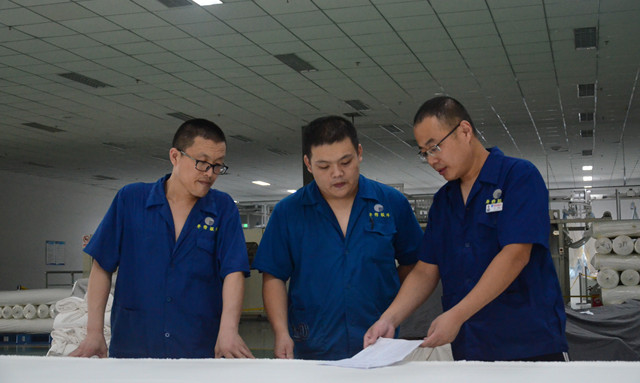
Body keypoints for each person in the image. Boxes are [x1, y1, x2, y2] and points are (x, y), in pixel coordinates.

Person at [364, 96, 569, 361]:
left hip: (528, 343)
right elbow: (426, 270)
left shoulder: (517, 177)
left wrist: (457, 314)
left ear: (464, 131)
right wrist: (389, 319)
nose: (431, 160)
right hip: (471, 347)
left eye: (435, 147)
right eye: (424, 153)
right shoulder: (444, 201)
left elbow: (515, 255)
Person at [71, 119, 254, 359]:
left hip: (198, 347)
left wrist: (228, 330)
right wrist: (94, 332)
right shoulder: (131, 200)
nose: (210, 173)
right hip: (134, 345)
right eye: (202, 163)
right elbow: (102, 266)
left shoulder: (223, 208)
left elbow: (233, 272)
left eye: (218, 166)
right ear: (175, 156)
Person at [252, 116, 423, 361]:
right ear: (308, 164)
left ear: (359, 153)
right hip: (312, 344)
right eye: (324, 166)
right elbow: (273, 276)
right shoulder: (288, 212)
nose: (337, 173)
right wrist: (280, 332)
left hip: (379, 342)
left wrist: (389, 304)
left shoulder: (391, 203)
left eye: (346, 162)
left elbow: (414, 264)